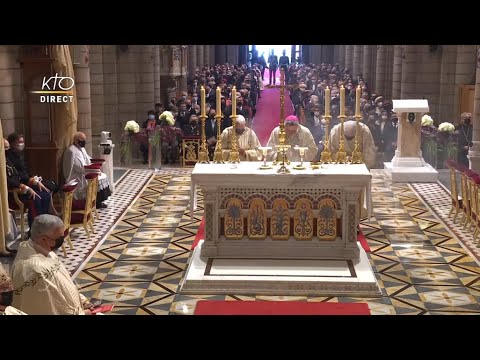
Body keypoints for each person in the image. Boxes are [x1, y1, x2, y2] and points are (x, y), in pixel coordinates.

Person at [10, 215, 96, 315]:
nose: (61, 240)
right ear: (44, 239)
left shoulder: (45, 252)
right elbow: (49, 309)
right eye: (59, 237)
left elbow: (65, 284)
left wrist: (83, 301)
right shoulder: (34, 271)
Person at [5, 139, 56, 229]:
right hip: (12, 193)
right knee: (35, 198)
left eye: (8, 147)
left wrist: (35, 182)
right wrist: (27, 188)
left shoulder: (8, 159)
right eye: (5, 148)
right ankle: (35, 229)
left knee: (45, 194)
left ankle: (45, 224)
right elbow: (9, 180)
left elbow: (19, 175)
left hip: (21, 188)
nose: (7, 150)